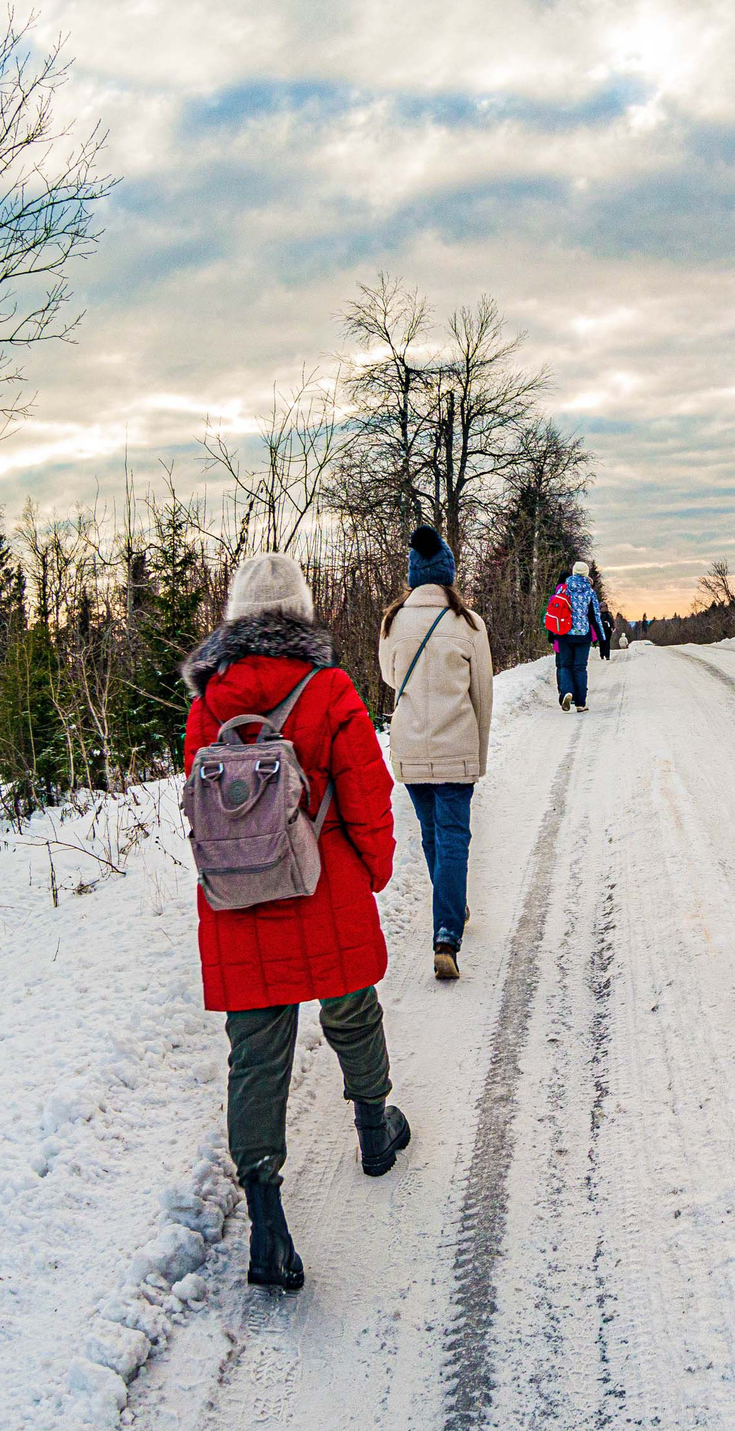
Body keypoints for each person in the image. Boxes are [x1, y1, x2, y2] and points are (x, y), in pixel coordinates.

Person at [182, 551, 411, 1291]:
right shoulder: (330, 687)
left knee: (255, 1056)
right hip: (324, 887)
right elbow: (368, 791)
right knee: (352, 1011)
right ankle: (375, 1130)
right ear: (301, 613)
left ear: (235, 618)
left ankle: (268, 1225)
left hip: (238, 899)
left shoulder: (207, 702)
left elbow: (199, 806)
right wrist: (372, 869)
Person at [379, 524, 495, 981]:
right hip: (456, 747)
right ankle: (446, 930)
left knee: (431, 835)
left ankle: (450, 906)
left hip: (412, 747)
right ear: (448, 575)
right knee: (453, 837)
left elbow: (391, 678)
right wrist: (479, 756)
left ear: (413, 575)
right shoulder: (468, 623)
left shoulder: (392, 623)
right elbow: (482, 693)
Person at [552, 560, 609, 712]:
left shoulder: (563, 589)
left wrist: (553, 633)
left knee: (565, 665)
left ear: (573, 572)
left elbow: (554, 610)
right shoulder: (589, 591)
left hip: (564, 633)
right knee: (580, 668)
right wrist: (602, 637)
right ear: (586, 574)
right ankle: (580, 703)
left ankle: (567, 692)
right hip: (583, 634)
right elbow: (595, 616)